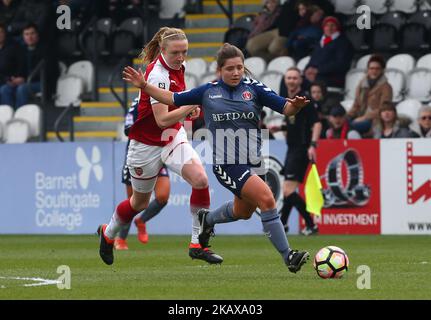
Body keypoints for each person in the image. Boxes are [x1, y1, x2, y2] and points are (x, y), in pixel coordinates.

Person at [123, 43, 311, 273]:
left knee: (243, 212)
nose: (235, 73)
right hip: (228, 164)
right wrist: (144, 85)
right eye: (230, 68)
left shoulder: (254, 89)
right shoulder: (207, 91)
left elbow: (286, 108)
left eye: (239, 68)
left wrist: (296, 107)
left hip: (253, 161)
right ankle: (288, 256)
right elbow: (171, 97)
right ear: (219, 70)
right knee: (268, 199)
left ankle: (207, 220)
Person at [97, 27, 223, 266]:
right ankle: (108, 233)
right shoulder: (158, 75)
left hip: (171, 137)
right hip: (146, 145)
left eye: (184, 51)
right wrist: (191, 106)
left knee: (200, 180)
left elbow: (172, 114)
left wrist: (188, 109)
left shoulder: (178, 67)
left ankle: (198, 243)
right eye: (176, 52)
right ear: (163, 50)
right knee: (139, 203)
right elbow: (162, 119)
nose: (181, 57)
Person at [114, 99, 170, 250]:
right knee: (134, 203)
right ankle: (120, 238)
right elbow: (128, 129)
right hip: (139, 156)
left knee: (163, 197)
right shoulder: (137, 103)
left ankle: (142, 221)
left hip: (159, 155)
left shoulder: (166, 98)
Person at [270, 67, 321, 236]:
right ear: (285, 80)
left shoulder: (305, 99)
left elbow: (317, 123)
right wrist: (282, 127)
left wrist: (313, 145)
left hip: (301, 149)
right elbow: (297, 124)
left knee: (288, 191)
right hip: (292, 148)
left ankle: (310, 224)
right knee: (288, 190)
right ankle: (283, 224)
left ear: (300, 80)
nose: (291, 80)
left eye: (294, 78)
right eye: (289, 78)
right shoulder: (290, 99)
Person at [347, 54, 393, 136]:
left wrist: (364, 117)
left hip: (374, 120)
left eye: (377, 69)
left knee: (349, 127)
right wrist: (346, 117)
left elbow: (384, 109)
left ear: (382, 70)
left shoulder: (386, 87)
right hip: (359, 117)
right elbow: (356, 105)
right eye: (371, 68)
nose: (374, 71)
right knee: (341, 123)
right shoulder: (362, 84)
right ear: (368, 70)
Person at [304, 16, 353, 89]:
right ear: (323, 28)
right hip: (318, 74)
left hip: (334, 77)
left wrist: (318, 71)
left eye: (332, 25)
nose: (329, 28)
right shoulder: (321, 42)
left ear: (337, 27)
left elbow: (341, 64)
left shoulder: (343, 43)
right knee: (295, 78)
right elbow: (313, 59)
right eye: (327, 25)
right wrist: (307, 70)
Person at [0, 23, 42, 109]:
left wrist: (22, 79)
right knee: (5, 89)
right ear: (23, 36)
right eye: (26, 34)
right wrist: (13, 79)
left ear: (37, 34)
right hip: (22, 80)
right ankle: (9, 118)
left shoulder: (47, 50)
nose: (29, 37)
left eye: (32, 33)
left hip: (42, 82)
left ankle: (20, 116)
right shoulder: (23, 49)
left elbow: (49, 72)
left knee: (21, 89)